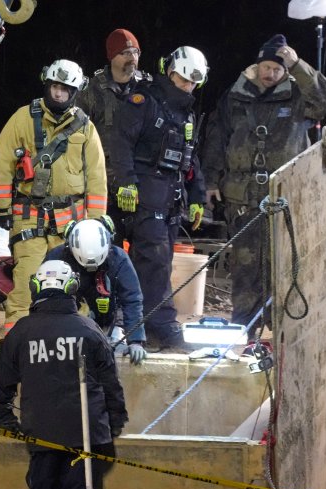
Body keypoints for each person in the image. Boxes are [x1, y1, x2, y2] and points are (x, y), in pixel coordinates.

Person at [202, 34, 326, 338]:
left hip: (284, 202)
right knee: (245, 272)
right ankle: (244, 334)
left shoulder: (299, 96)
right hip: (243, 201)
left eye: (277, 69)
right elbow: (216, 137)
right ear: (257, 64)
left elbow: (325, 98)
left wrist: (298, 64)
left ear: (285, 70)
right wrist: (210, 181)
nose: (270, 73)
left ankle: (281, 336)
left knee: (283, 271)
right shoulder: (235, 95)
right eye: (266, 67)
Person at [0, 260, 128, 489]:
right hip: (85, 437)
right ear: (72, 289)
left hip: (41, 433)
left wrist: (5, 420)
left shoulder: (21, 332)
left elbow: (1, 381)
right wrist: (114, 425)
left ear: (35, 289)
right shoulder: (88, 329)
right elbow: (111, 385)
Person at [0, 59, 107, 334]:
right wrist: (2, 207)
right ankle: (17, 341)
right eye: (55, 86)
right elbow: (3, 163)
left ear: (75, 92)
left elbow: (97, 178)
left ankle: (74, 339)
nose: (58, 94)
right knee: (25, 283)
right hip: (29, 219)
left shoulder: (85, 128)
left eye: (65, 89)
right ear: (47, 85)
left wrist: (96, 223)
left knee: (71, 284)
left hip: (71, 225)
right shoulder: (22, 118)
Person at [110, 46, 209, 349]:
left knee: (161, 262)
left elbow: (190, 160)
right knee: (152, 259)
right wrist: (126, 183)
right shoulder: (143, 102)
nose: (187, 87)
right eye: (182, 80)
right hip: (145, 191)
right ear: (170, 72)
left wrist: (197, 197)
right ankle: (160, 323)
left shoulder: (186, 114)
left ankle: (144, 324)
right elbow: (121, 142)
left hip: (171, 196)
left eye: (193, 83)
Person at [76, 28, 151, 245]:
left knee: (143, 257)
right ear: (112, 57)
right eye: (125, 53)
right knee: (107, 251)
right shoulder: (91, 91)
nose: (132, 58)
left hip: (141, 185)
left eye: (135, 52)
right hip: (104, 187)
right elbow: (76, 135)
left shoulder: (148, 88)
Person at [46, 217, 147, 365]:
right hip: (69, 317)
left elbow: (132, 299)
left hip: (109, 319)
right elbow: (44, 299)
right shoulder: (56, 259)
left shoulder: (119, 259)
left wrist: (135, 340)